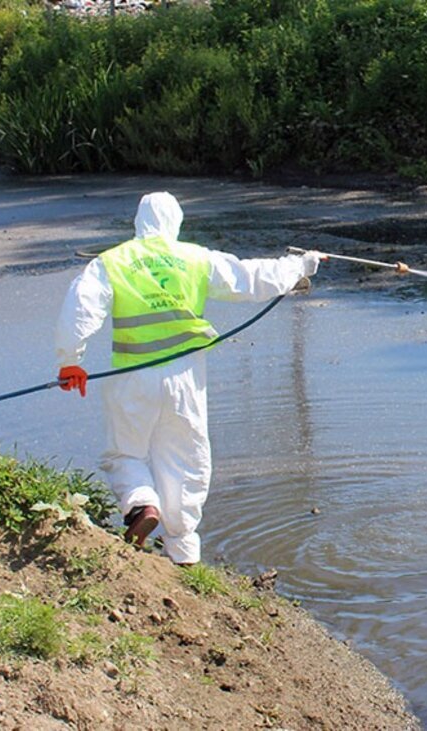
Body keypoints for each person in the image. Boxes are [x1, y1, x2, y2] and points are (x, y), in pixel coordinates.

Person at [55, 191, 324, 565]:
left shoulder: (113, 261)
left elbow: (79, 309)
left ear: (138, 222)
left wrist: (70, 361)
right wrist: (300, 265)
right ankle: (182, 551)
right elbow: (250, 277)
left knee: (125, 451)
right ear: (176, 223)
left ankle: (141, 504)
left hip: (133, 374)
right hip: (185, 379)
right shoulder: (195, 258)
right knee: (185, 458)